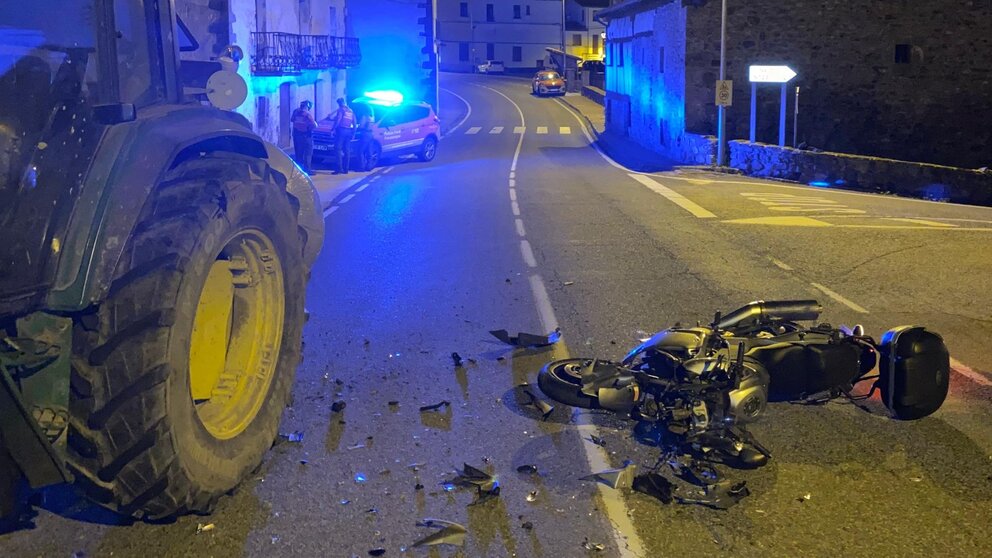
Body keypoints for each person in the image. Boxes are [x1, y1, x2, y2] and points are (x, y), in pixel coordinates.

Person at [291, 100, 317, 175]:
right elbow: (314, 125)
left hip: (296, 135)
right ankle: (307, 170)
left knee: (298, 153)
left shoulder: (295, 112)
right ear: (307, 106)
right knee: (308, 152)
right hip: (306, 135)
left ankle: (298, 171)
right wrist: (309, 128)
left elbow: (292, 120)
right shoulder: (307, 114)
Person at [331, 97, 356, 175]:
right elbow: (355, 123)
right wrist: (353, 134)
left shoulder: (341, 110)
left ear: (339, 103)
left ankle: (339, 168)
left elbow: (338, 120)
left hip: (341, 130)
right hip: (348, 131)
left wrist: (333, 129)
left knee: (337, 149)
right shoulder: (351, 111)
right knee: (346, 150)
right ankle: (346, 169)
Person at [355, 103, 375, 171]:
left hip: (365, 134)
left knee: (360, 151)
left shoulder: (364, 116)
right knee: (369, 151)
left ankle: (361, 167)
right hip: (371, 134)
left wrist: (357, 126)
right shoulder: (372, 116)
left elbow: (361, 126)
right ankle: (369, 166)